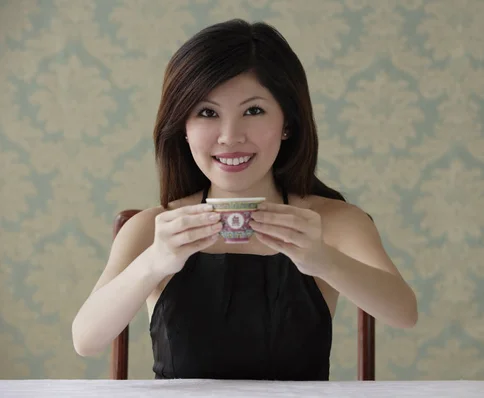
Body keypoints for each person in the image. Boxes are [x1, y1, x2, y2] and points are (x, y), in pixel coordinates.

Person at [72, 19, 417, 381]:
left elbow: (404, 313)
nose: (230, 136)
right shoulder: (152, 227)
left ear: (288, 123)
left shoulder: (333, 221)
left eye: (253, 111)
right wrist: (155, 262)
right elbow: (86, 340)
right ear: (183, 129)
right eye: (207, 113)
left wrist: (323, 260)